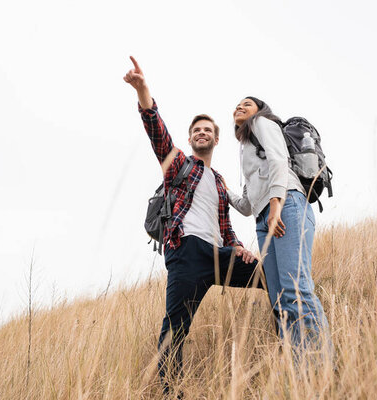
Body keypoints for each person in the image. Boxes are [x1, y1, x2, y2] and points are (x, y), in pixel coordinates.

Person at [123, 57, 263, 394]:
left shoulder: (217, 180)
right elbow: (157, 132)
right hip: (185, 252)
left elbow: (224, 225)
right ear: (190, 139)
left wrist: (238, 246)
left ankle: (294, 336)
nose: (202, 133)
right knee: (176, 328)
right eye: (196, 130)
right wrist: (143, 91)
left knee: (270, 276)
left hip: (219, 254)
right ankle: (172, 392)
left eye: (208, 131)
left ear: (216, 141)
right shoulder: (179, 166)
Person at [227, 96, 332, 354]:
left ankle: (321, 366)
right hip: (263, 218)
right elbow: (247, 205)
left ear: (259, 110)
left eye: (247, 104)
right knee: (279, 299)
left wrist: (276, 203)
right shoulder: (247, 149)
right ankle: (300, 373)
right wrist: (223, 188)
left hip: (287, 205)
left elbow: (278, 160)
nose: (240, 107)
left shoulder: (262, 122)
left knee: (296, 289)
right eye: (237, 104)